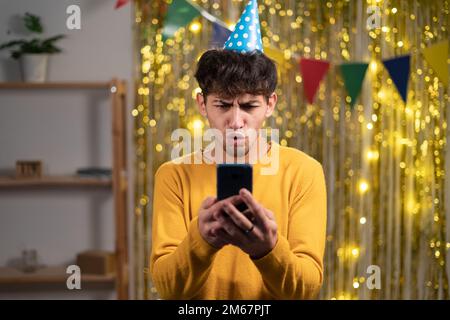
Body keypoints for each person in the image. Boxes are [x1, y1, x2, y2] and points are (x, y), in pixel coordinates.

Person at [150, 0, 327, 300]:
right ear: (202, 104)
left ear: (270, 104)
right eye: (222, 105)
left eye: (248, 106)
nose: (235, 121)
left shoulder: (303, 172)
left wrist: (268, 249)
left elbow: (306, 289)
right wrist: (201, 240)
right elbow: (168, 289)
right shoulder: (173, 175)